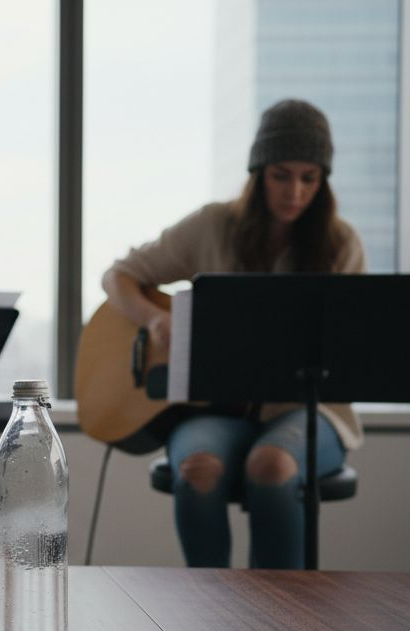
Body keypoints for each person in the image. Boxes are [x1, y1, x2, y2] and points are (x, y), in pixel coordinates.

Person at [101, 99, 366, 569]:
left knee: (272, 465)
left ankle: (282, 621)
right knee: (197, 469)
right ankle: (210, 615)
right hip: (216, 409)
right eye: (281, 175)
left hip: (308, 410)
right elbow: (119, 275)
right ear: (258, 171)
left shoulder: (341, 244)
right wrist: (153, 319)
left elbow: (352, 346)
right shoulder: (211, 225)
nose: (295, 191)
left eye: (310, 178)